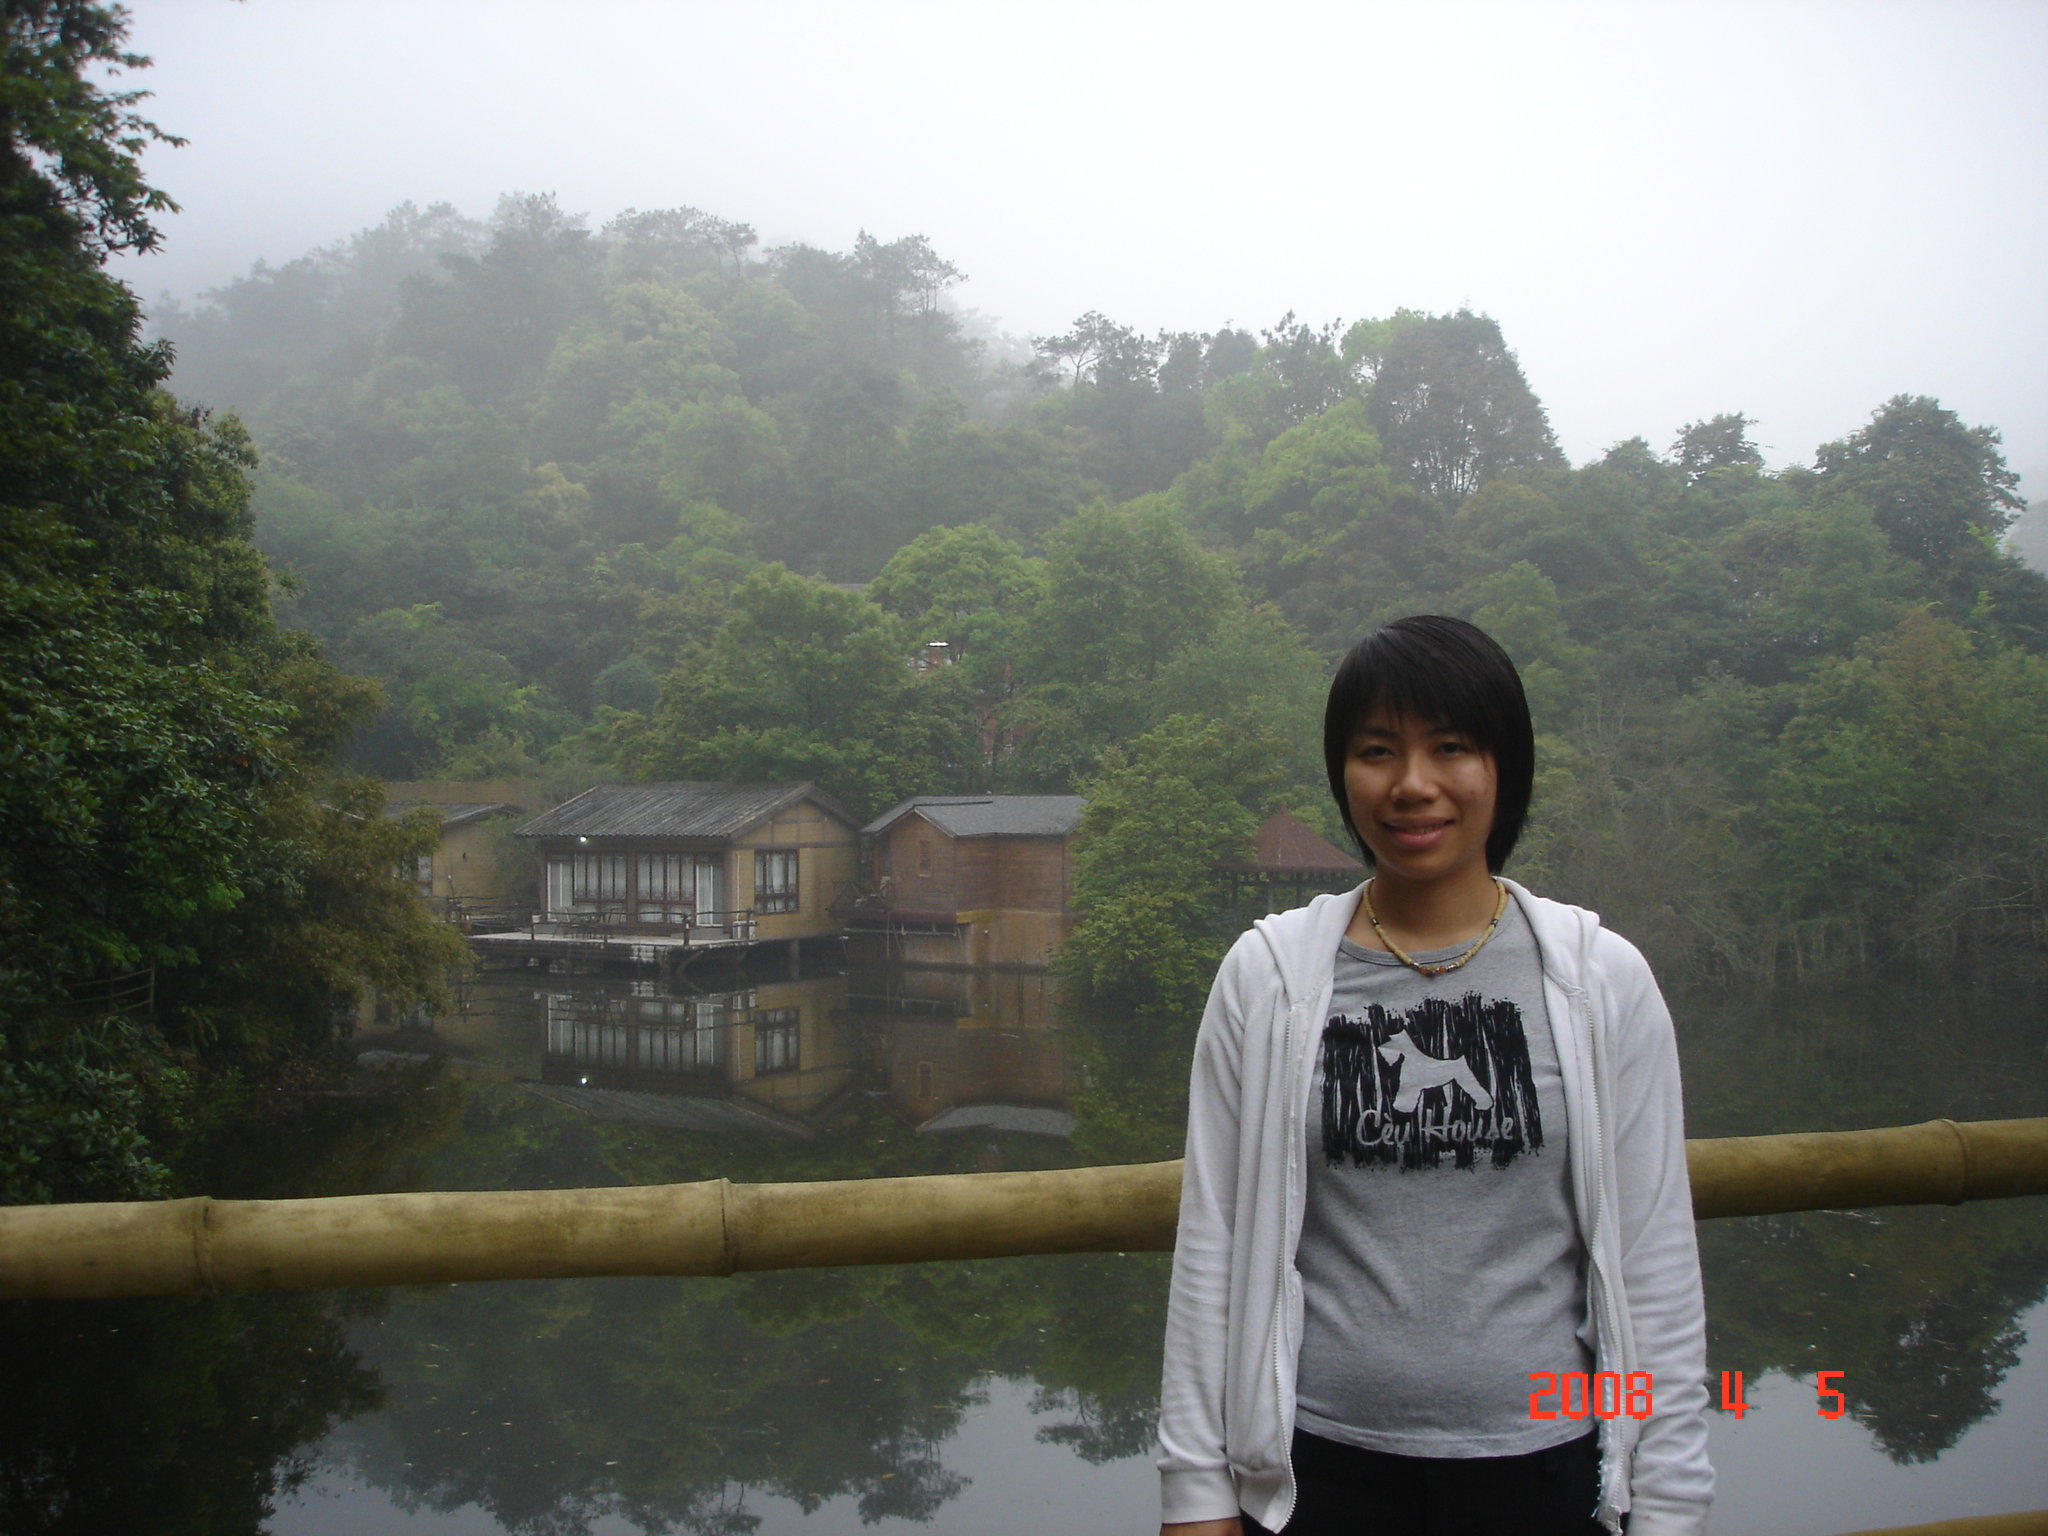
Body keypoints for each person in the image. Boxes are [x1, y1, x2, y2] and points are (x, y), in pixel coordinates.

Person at [1156, 615, 1711, 1536]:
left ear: (1505, 767)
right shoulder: (1270, 977)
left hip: (1550, 1471)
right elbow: (1213, 1241)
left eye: (1450, 747)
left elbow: (1653, 1266)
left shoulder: (1600, 980)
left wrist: (1671, 1504)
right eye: (1377, 750)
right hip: (1313, 1474)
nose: (1412, 783)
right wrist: (1194, 1494)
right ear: (1343, 772)